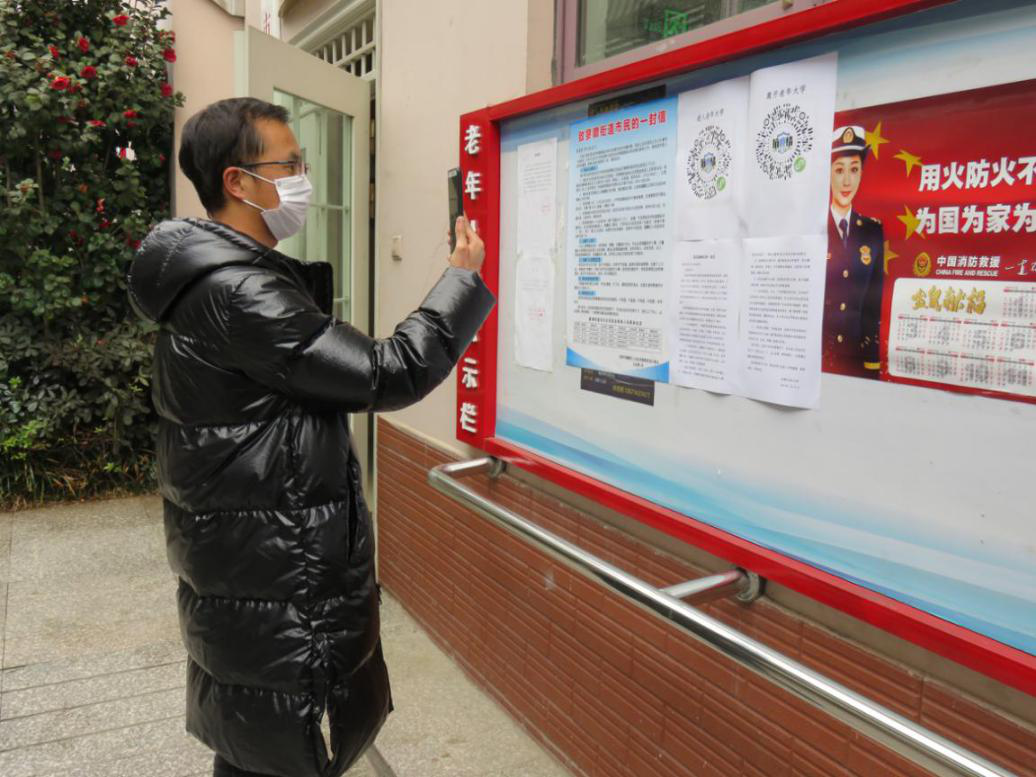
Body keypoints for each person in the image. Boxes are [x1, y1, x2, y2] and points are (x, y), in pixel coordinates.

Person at [126, 97, 495, 777]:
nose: (303, 180)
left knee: (256, 740)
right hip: (274, 571)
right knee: (275, 748)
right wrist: (461, 281)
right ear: (237, 181)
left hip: (246, 563)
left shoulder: (212, 281)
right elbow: (387, 372)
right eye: (289, 165)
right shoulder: (241, 293)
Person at [824, 124, 884, 378]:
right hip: (818, 358)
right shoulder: (812, 228)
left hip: (856, 361)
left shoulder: (872, 231)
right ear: (827, 173)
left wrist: (871, 363)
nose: (847, 181)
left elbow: (872, 304)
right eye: (839, 170)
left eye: (854, 169)